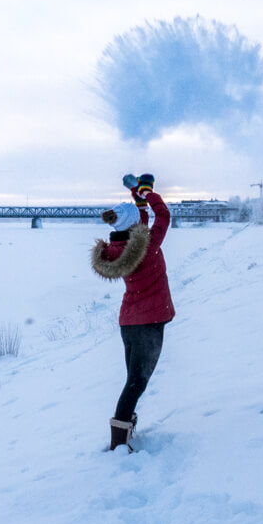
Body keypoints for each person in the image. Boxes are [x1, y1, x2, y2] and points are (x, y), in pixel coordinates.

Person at [90, 174, 175, 451]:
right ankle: (118, 444)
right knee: (136, 383)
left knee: (133, 381)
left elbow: (142, 222)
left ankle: (124, 432)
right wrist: (147, 191)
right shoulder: (147, 245)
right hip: (150, 322)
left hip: (128, 322)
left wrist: (136, 197)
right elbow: (162, 214)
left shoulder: (116, 249)